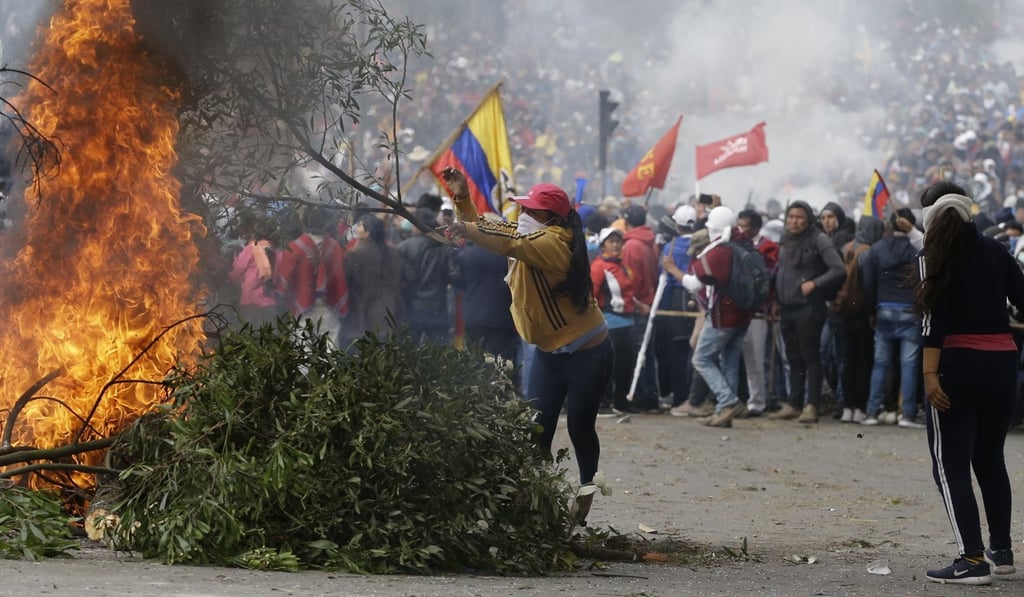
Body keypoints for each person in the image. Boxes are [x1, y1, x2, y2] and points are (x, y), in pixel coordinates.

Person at [441, 167, 612, 524]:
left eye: (530, 210)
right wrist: (461, 198)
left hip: (587, 354)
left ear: (549, 218)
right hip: (548, 353)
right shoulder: (531, 233)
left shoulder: (553, 243)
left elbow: (506, 241)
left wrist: (467, 229)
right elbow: (491, 229)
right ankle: (538, 503)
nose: (521, 214)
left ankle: (585, 493)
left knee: (580, 427)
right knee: (538, 428)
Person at [915, 181, 1024, 585]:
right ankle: (1002, 551)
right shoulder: (996, 249)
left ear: (929, 214)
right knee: (991, 460)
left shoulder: (931, 256)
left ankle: (972, 560)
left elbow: (932, 321)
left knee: (950, 465)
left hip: (955, 366)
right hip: (1002, 365)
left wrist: (929, 374)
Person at [769, 201, 845, 423]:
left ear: (808, 219)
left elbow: (838, 268)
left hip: (809, 308)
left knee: (811, 357)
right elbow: (782, 272)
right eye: (791, 216)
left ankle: (812, 405)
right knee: (793, 357)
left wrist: (815, 283)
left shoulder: (818, 239)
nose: (794, 221)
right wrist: (776, 300)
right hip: (787, 307)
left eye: (799, 217)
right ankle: (794, 404)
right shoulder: (784, 239)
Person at [681, 206, 754, 427]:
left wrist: (674, 271)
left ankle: (728, 401)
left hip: (724, 315)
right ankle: (724, 413)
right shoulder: (745, 244)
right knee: (728, 361)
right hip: (742, 315)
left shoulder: (723, 250)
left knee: (701, 359)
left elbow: (696, 281)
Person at [861, 209, 923, 428]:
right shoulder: (916, 250)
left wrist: (871, 312)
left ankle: (871, 412)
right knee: (909, 365)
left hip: (884, 309)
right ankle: (907, 414)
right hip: (909, 311)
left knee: (880, 364)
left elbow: (868, 284)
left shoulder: (876, 249)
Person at [590, 227, 641, 414]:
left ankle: (621, 402)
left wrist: (639, 305)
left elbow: (626, 294)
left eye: (618, 241)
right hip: (609, 325)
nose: (616, 244)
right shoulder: (598, 267)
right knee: (605, 368)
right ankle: (602, 403)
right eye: (611, 241)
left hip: (628, 324)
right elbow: (591, 295)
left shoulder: (623, 266)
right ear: (603, 245)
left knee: (625, 367)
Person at [341, 214, 403, 346]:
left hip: (363, 314)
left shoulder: (354, 254)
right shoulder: (394, 253)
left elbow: (347, 283)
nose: (357, 229)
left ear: (368, 232)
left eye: (360, 226)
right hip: (388, 311)